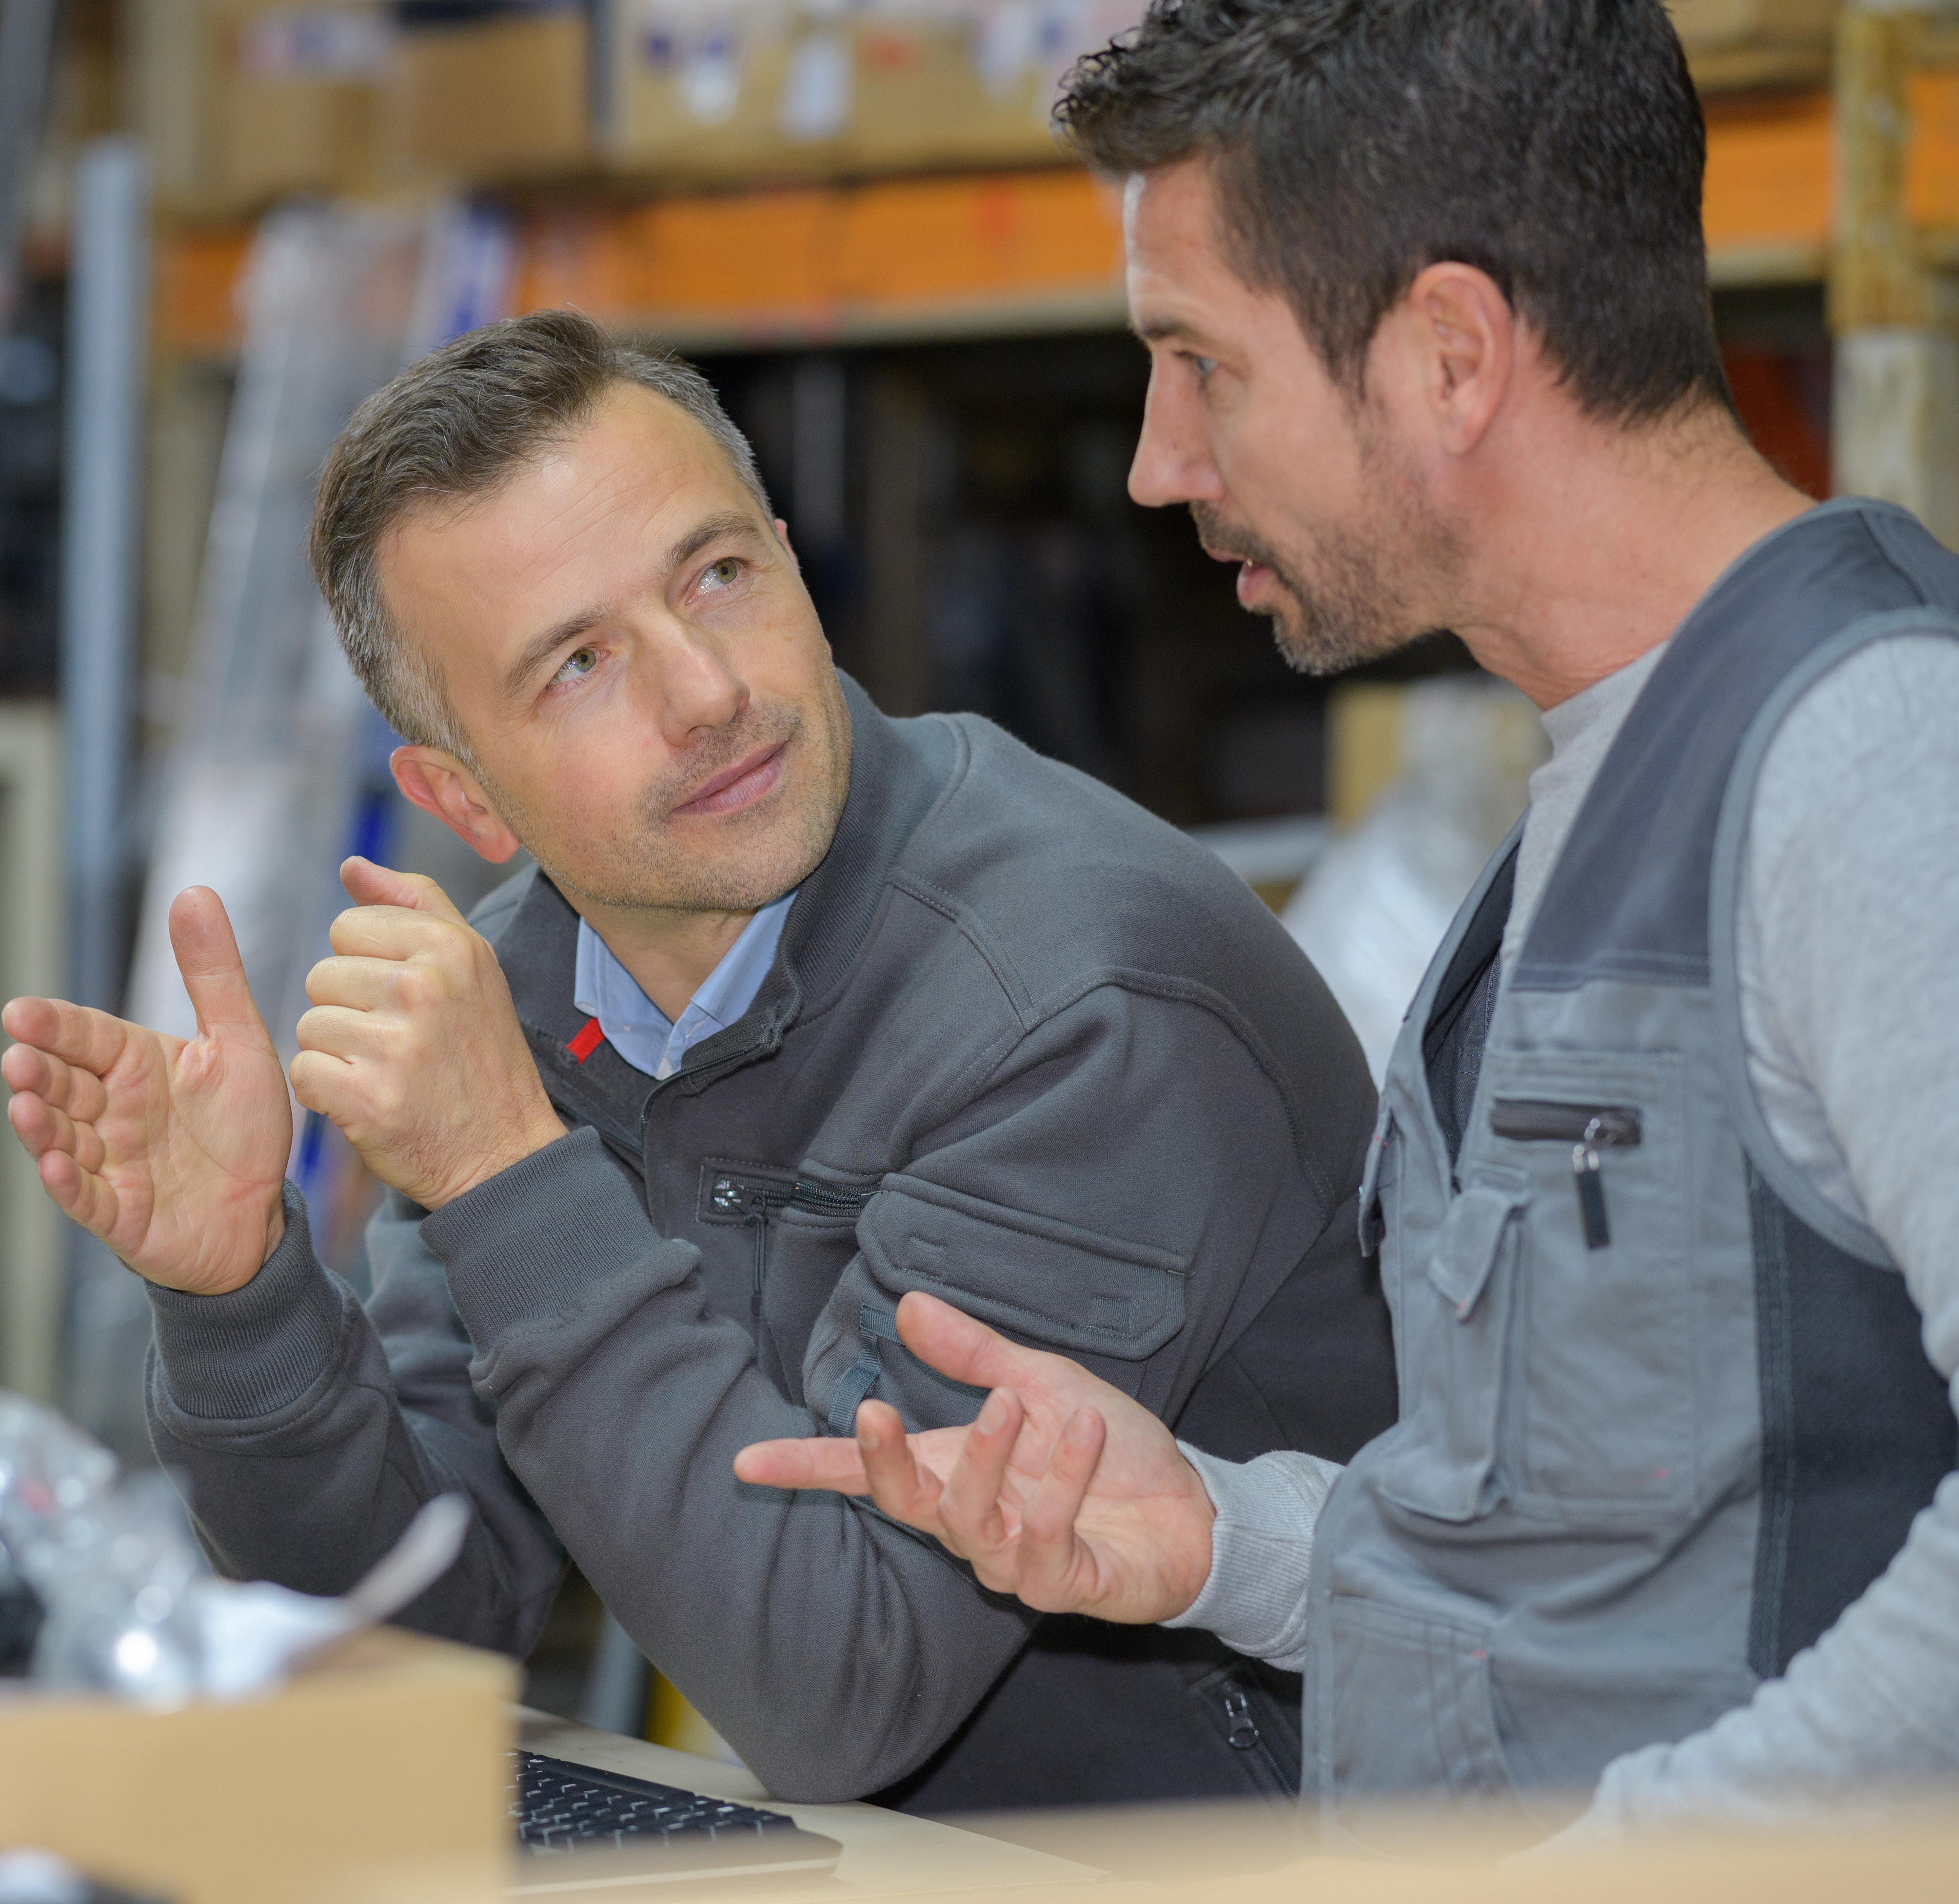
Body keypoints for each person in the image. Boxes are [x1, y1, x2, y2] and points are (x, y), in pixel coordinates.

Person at [738, 0, 1959, 1846]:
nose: (1156, 459)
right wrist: (1225, 1543)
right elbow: (1582, 1562)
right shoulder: (1601, 788)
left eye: (1199, 363)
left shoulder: (1871, 761)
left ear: (1450, 356)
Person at [0, 309, 1397, 1809]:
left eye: (717, 577)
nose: (708, 692)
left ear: (794, 564)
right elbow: (417, 1622)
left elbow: (840, 1683)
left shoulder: (1081, 1003)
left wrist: (506, 1174)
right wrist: (243, 1298)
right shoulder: (530, 989)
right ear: (463, 798)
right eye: (581, 665)